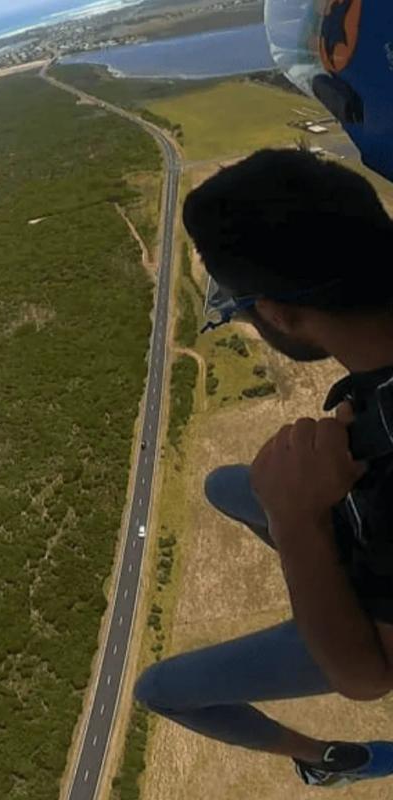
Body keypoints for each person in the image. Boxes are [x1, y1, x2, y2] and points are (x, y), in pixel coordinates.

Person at [133, 149, 393, 787]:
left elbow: (367, 679)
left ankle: (325, 760)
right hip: (367, 527)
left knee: (158, 691)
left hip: (372, 635)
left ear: (277, 312)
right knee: (224, 485)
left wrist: (299, 521)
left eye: (239, 304)